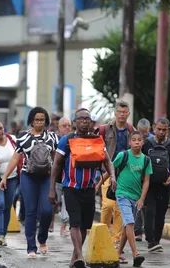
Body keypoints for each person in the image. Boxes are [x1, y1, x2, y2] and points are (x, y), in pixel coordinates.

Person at [49, 108, 116, 268]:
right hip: (70, 188)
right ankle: (80, 256)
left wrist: (112, 175)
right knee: (75, 223)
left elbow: (107, 161)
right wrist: (52, 189)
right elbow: (56, 165)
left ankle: (75, 258)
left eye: (87, 119)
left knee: (85, 225)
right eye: (81, 118)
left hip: (89, 188)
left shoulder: (97, 140)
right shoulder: (67, 140)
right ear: (75, 121)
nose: (85, 121)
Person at [0, 107, 58, 257]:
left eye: (42, 120)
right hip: (28, 177)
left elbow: (57, 158)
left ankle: (42, 239)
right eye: (37, 119)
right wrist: (5, 176)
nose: (39, 122)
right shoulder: (23, 138)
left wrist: (59, 176)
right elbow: (15, 157)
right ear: (31, 121)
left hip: (46, 177)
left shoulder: (52, 137)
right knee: (31, 212)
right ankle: (31, 247)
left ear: (46, 121)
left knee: (46, 210)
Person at [97, 131, 152, 267]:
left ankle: (118, 252)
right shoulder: (123, 155)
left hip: (136, 197)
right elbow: (111, 170)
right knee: (130, 222)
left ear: (142, 143)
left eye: (139, 140)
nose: (137, 142)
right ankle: (136, 254)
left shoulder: (146, 160)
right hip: (122, 194)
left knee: (127, 225)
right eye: (134, 140)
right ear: (129, 142)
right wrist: (98, 184)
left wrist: (142, 198)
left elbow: (146, 181)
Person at [94, 100, 135, 247]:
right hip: (107, 171)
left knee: (119, 209)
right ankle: (102, 234)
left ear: (128, 114)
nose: (122, 114)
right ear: (115, 113)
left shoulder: (131, 130)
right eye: (119, 111)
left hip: (125, 174)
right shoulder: (105, 129)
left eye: (125, 112)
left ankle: (115, 240)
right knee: (107, 206)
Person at [141, 118, 170, 252]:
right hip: (148, 185)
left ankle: (156, 240)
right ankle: (150, 240)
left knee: (160, 214)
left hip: (164, 186)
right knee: (149, 212)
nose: (161, 132)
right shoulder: (146, 144)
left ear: (168, 129)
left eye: (164, 130)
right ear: (153, 128)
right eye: (159, 129)